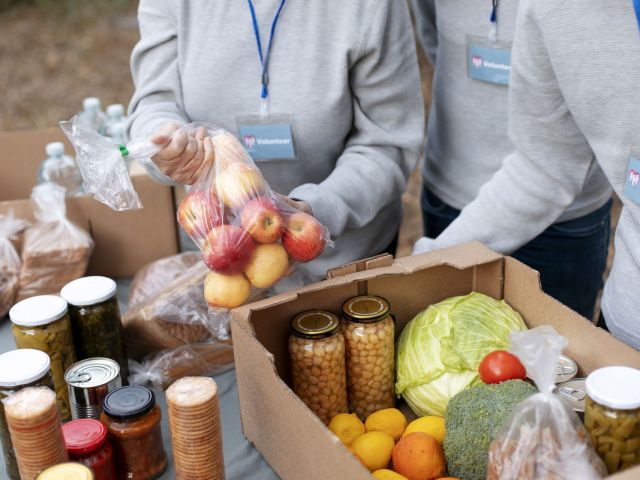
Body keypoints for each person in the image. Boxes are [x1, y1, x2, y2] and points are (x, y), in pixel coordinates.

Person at [126, 0, 424, 280]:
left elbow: (387, 143)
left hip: (345, 260)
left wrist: (314, 210)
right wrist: (164, 143)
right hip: (222, 254)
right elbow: (154, 101)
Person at [413, 0, 640, 350]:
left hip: (572, 234)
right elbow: (545, 165)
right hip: (625, 334)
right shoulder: (561, 10)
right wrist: (430, 260)